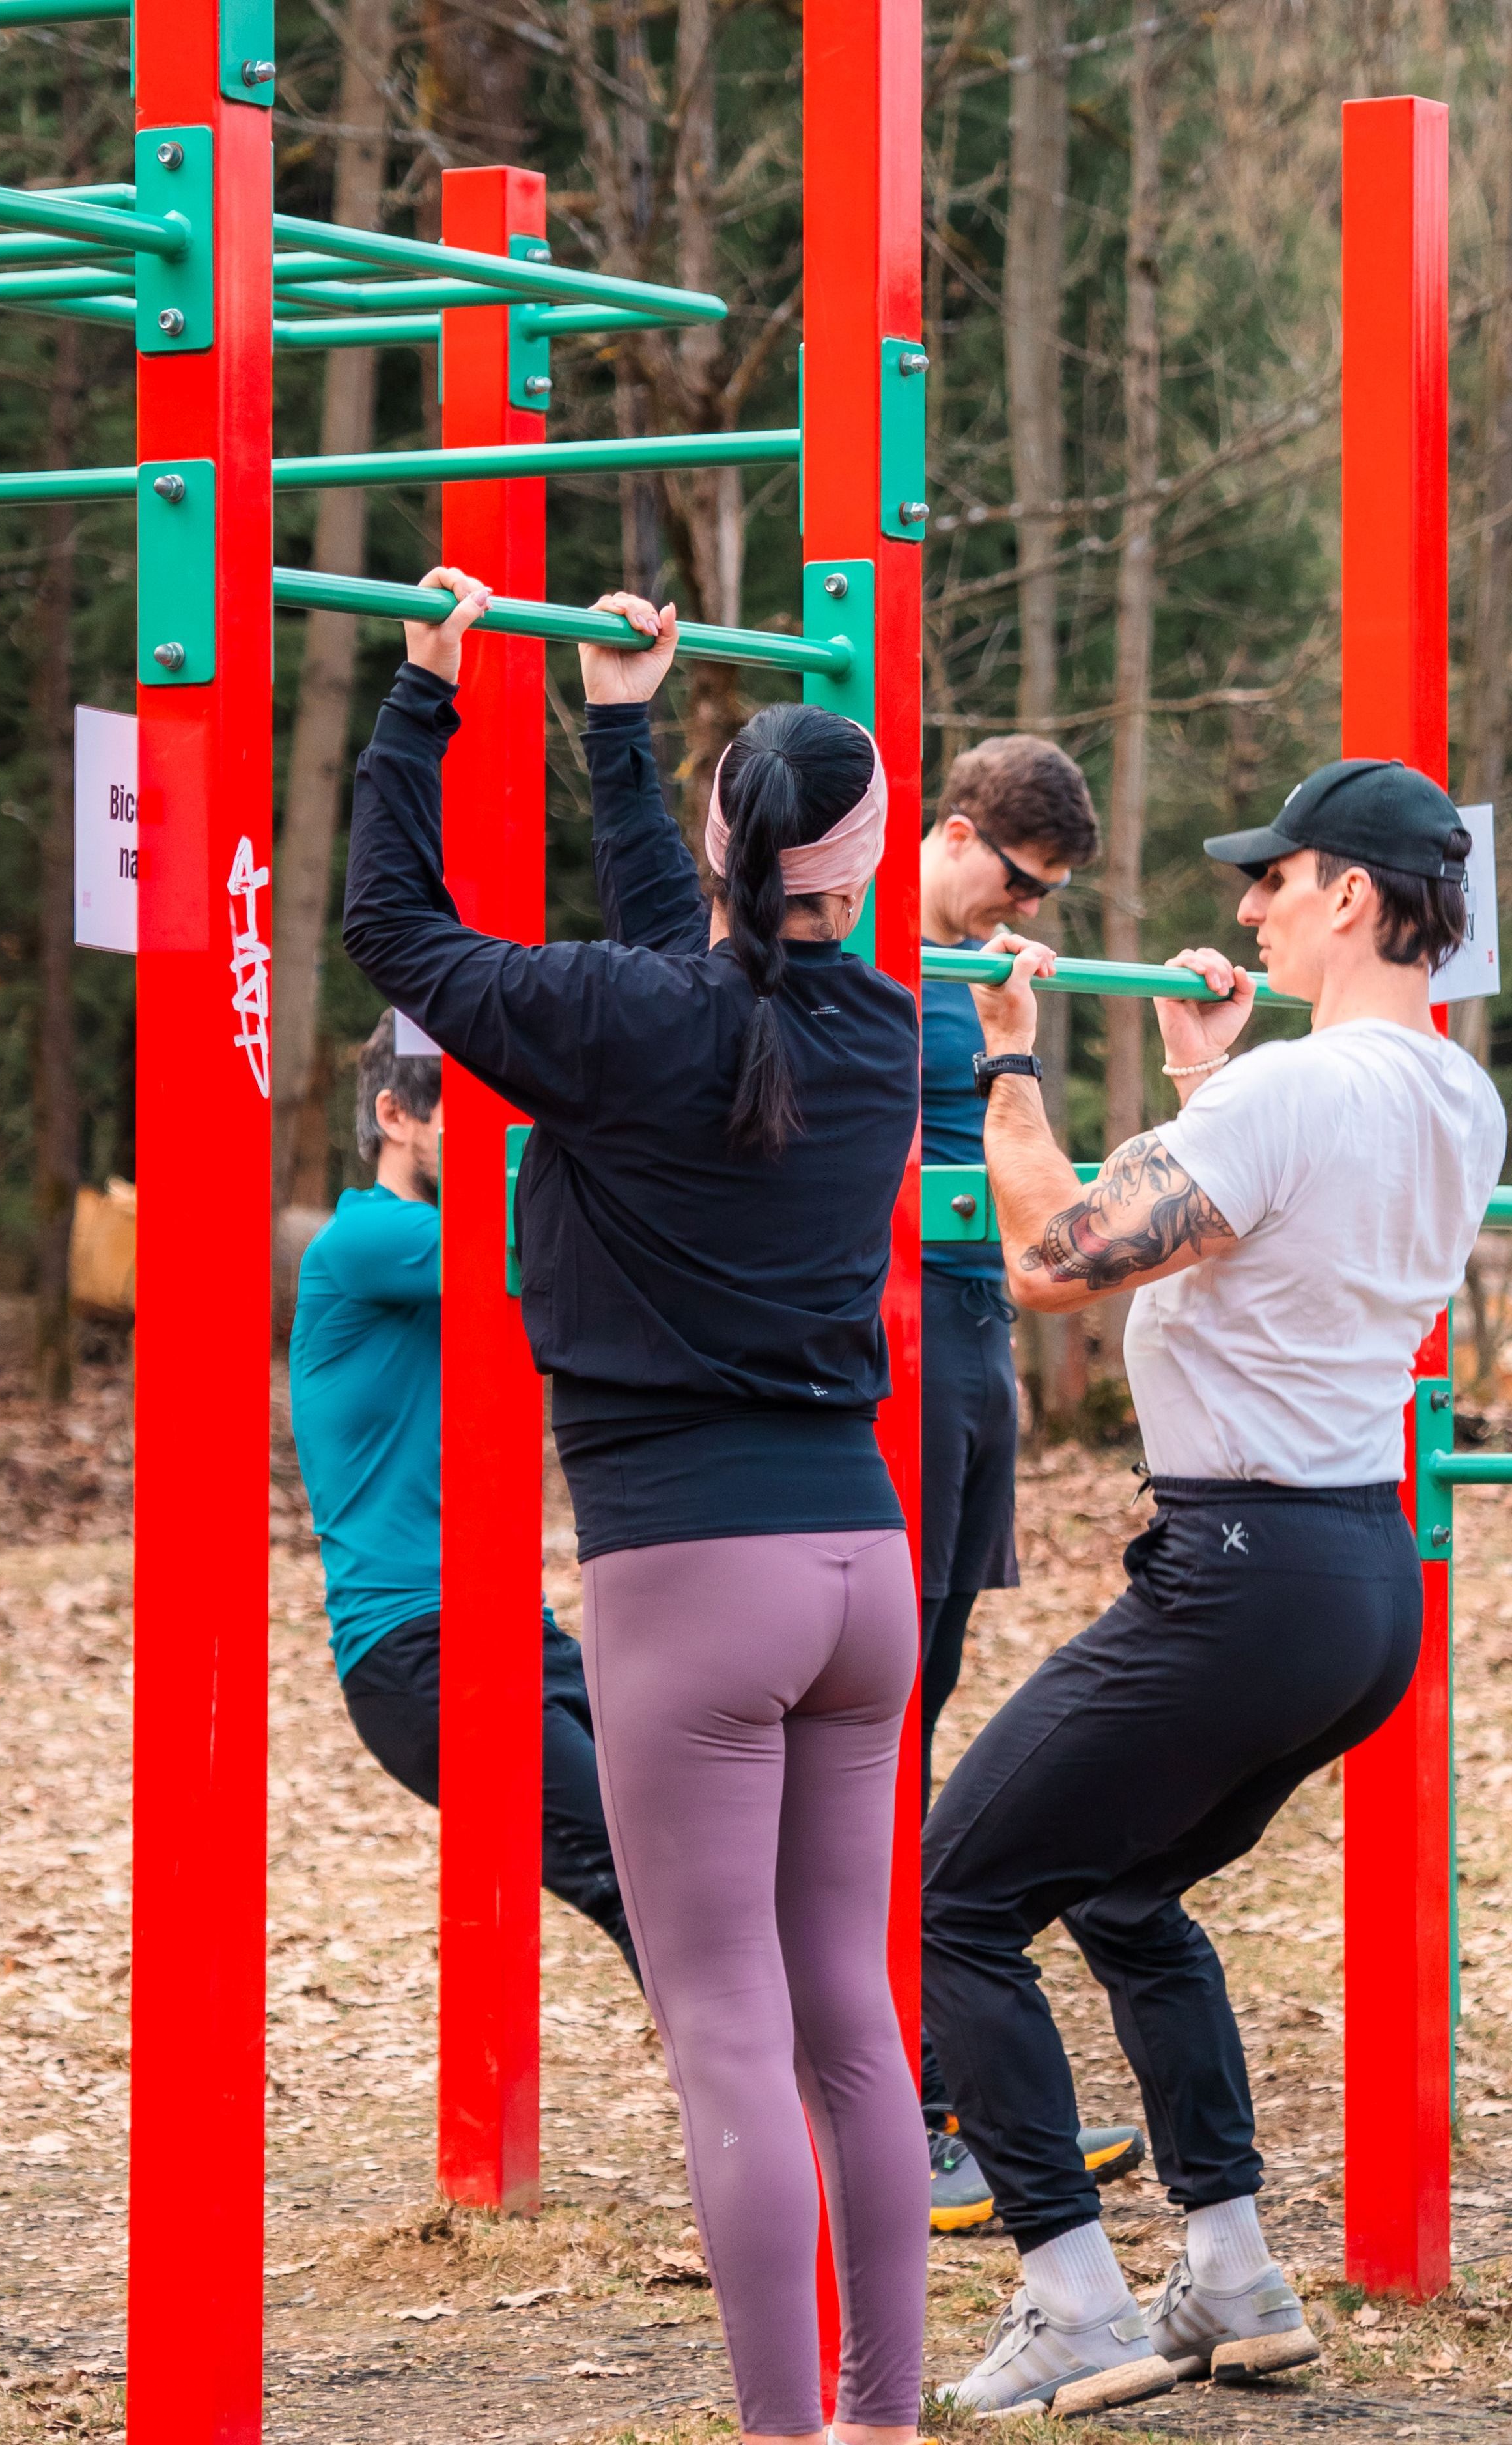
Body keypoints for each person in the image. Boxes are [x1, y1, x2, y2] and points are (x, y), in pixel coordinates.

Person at [341, 571, 926, 2445]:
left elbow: (392, 928)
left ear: (717, 837)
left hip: (693, 1582)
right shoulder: (886, 1039)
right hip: (859, 1570)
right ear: (864, 859)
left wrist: (426, 692)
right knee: (848, 2010)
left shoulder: (626, 1025)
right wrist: (613, 723)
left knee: (730, 2030)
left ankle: (779, 2441)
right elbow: (714, 976)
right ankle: (880, 2420)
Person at [921, 758, 1507, 2420]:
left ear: (1350, 897)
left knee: (948, 1902)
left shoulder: (1290, 1104)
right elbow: (1267, 1232)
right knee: (1118, 1894)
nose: (1245, 908)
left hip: (1240, 1577)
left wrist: (1013, 1065)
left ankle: (1071, 2296)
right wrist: (1203, 1081)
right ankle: (1234, 2274)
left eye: (1274, 878)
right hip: (1357, 1582)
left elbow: (1053, 1259)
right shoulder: (1454, 1099)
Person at [908, 736, 1143, 2235]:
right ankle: (916, 2105)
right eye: (1008, 878)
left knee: (913, 1722)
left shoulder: (976, 979)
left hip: (970, 1357)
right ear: (946, 832)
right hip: (890, 1363)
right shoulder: (844, 944)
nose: (1016, 914)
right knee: (870, 1744)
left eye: (1040, 895)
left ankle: (931, 2092)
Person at [287, 1011, 637, 1985]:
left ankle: (912, 2100)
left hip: (515, 1632)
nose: (501, 1141)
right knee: (637, 1875)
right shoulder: (368, 1243)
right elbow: (569, 1232)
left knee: (708, 1847)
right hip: (420, 1649)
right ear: (397, 1115)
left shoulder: (469, 1252)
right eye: (469, 1116)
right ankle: (798, 2126)